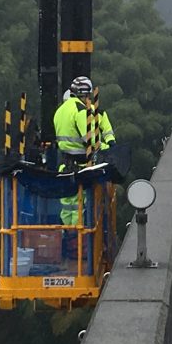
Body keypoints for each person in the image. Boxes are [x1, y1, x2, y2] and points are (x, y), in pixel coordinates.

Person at [54, 75, 116, 229]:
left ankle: (66, 236)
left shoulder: (61, 110)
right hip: (81, 168)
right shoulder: (81, 111)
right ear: (86, 94)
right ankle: (78, 239)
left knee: (66, 206)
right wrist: (109, 150)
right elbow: (91, 141)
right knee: (79, 206)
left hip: (65, 166)